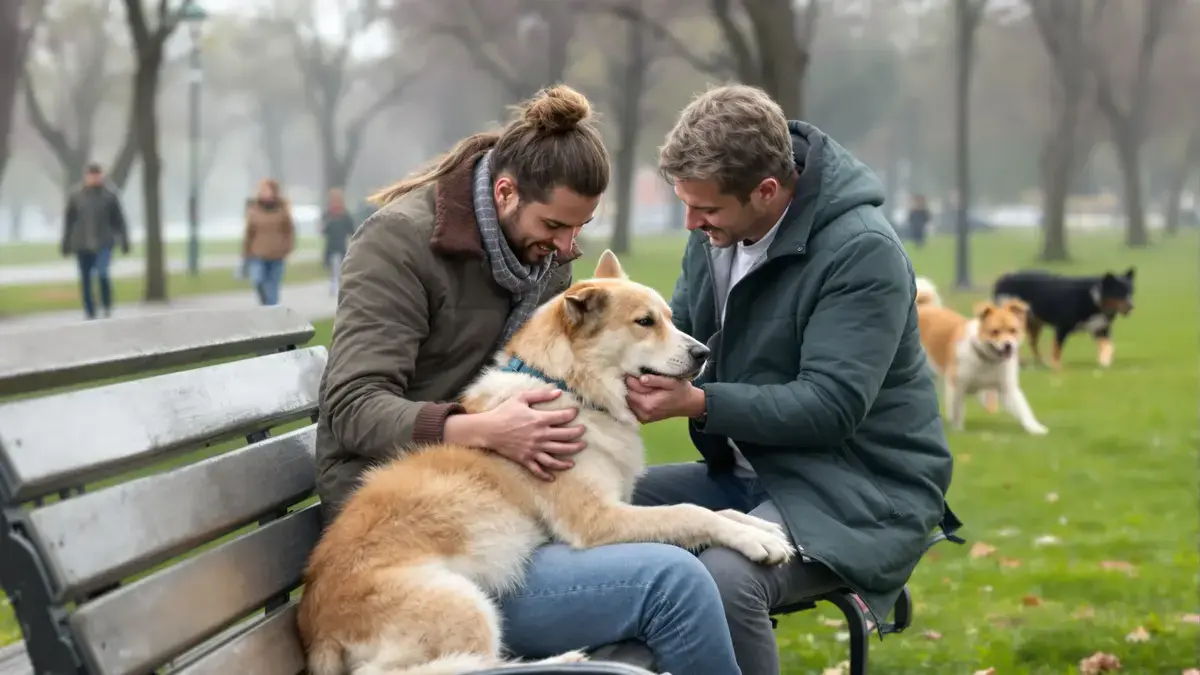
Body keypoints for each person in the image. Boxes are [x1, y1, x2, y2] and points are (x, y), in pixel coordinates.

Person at [312, 85, 743, 674]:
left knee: (702, 549)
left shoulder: (540, 251)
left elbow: (562, 363)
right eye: (556, 225)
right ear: (506, 191)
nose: (566, 249)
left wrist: (615, 390)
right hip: (411, 525)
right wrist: (482, 430)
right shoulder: (397, 244)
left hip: (510, 500)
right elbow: (351, 407)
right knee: (677, 583)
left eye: (580, 228)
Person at [626, 84, 959, 675]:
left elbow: (830, 407)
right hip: (754, 472)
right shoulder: (712, 235)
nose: (690, 221)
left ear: (767, 190)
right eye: (686, 204)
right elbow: (674, 347)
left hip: (860, 490)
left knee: (725, 580)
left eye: (705, 209)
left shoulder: (863, 251)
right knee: (593, 508)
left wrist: (698, 402)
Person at [60, 162, 130, 320]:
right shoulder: (76, 196)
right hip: (82, 242)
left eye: (97, 175)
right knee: (85, 278)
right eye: (91, 175)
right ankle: (89, 308)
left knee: (103, 272)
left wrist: (124, 240)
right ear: (86, 176)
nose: (94, 179)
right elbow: (69, 221)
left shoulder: (109, 195)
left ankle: (106, 303)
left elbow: (119, 220)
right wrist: (66, 242)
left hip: (104, 241)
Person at [242, 178, 294, 305]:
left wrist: (286, 248)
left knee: (273, 287)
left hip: (276, 255)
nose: (264, 193)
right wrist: (246, 252)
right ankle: (265, 303)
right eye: (262, 190)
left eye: (267, 190)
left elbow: (289, 232)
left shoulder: (282, 211)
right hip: (258, 254)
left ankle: (271, 312)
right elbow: (249, 233)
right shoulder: (254, 211)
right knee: (258, 280)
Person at [318, 187, 355, 296]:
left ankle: (338, 285)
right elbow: (323, 230)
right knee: (332, 267)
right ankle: (333, 284)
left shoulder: (345, 215)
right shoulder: (328, 215)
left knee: (340, 266)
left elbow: (351, 230)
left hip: (341, 245)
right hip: (330, 245)